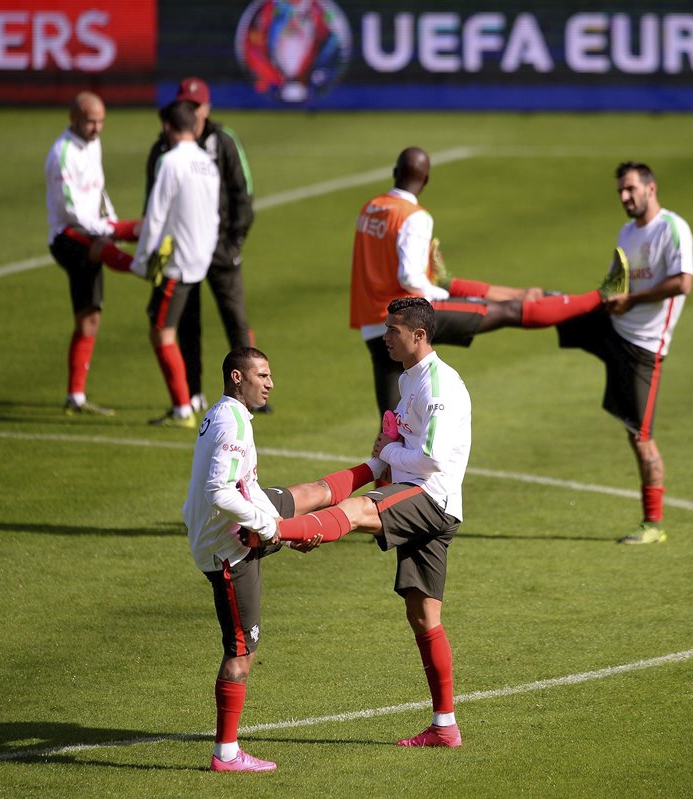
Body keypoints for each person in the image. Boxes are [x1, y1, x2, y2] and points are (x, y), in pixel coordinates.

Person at [245, 297, 471, 747]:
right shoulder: (412, 380)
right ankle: (445, 726)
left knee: (359, 510)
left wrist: (384, 452)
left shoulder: (438, 386)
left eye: (393, 330)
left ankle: (268, 532)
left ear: (418, 336)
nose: (385, 336)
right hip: (426, 496)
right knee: (423, 616)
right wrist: (389, 446)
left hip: (430, 496)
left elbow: (433, 458)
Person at [184, 346, 384, 772]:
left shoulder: (226, 414)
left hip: (238, 523)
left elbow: (240, 484)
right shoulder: (233, 423)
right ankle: (226, 752)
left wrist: (286, 533)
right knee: (242, 649)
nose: (270, 383)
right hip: (230, 548)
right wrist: (272, 528)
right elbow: (217, 491)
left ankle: (376, 465)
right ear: (238, 378)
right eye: (262, 375)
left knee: (307, 495)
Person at [351, 146, 608, 415]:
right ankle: (598, 297)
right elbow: (409, 276)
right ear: (426, 179)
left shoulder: (370, 208)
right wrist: (439, 294)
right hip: (409, 317)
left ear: (394, 173)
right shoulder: (413, 216)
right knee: (508, 310)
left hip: (374, 326)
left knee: (393, 427)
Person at [556, 162, 693, 545]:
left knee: (639, 435)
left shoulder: (672, 228)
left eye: (631, 189)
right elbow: (616, 283)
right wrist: (610, 300)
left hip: (643, 348)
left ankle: (653, 524)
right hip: (613, 328)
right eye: (620, 190)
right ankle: (471, 303)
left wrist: (630, 300)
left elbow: (683, 282)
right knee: (556, 308)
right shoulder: (626, 232)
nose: (624, 197)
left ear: (651, 188)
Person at [145, 77, 266, 415]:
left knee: (236, 319)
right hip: (183, 250)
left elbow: (243, 192)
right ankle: (193, 392)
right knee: (186, 324)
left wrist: (235, 242)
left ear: (207, 108)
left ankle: (254, 395)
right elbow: (151, 200)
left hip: (221, 248)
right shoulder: (163, 148)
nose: (193, 113)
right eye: (187, 106)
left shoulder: (223, 140)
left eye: (197, 106)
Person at [45, 91, 140, 416]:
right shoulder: (62, 153)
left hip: (91, 228)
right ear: (74, 118)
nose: (97, 127)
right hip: (67, 235)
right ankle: (145, 268)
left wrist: (110, 219)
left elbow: (98, 189)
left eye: (101, 121)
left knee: (90, 318)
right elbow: (71, 209)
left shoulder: (93, 144)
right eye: (90, 121)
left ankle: (75, 397)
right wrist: (113, 229)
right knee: (104, 248)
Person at [131, 100, 220, 428]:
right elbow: (214, 214)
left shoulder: (169, 162)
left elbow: (156, 214)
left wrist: (141, 261)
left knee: (162, 332)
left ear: (169, 126)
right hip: (198, 258)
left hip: (176, 262)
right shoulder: (207, 162)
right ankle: (184, 402)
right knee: (168, 329)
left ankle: (182, 408)